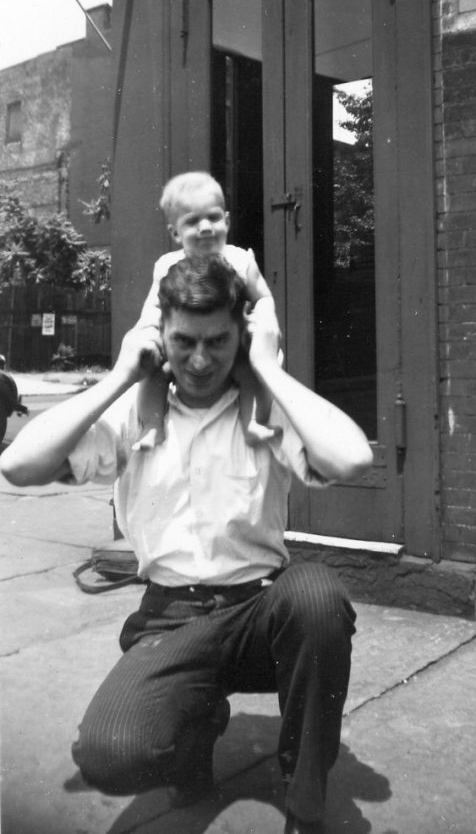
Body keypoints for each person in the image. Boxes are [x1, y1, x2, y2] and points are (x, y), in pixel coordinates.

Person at [1, 255, 373, 834]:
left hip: (261, 610)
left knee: (319, 599)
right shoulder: (136, 414)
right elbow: (18, 466)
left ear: (242, 337)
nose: (200, 361)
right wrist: (120, 374)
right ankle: (195, 731)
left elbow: (351, 457)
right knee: (110, 755)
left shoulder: (263, 411)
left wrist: (268, 368)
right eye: (184, 341)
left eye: (219, 342)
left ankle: (305, 802)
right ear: (160, 338)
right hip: (170, 619)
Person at [135, 170, 280, 447]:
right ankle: (152, 426)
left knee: (252, 373)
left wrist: (265, 319)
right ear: (175, 233)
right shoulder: (167, 265)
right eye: (192, 221)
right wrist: (145, 331)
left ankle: (251, 423)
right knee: (155, 374)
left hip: (231, 344)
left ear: (226, 220)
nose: (205, 227)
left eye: (213, 217)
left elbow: (263, 297)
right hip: (184, 345)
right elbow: (153, 306)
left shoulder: (239, 260)